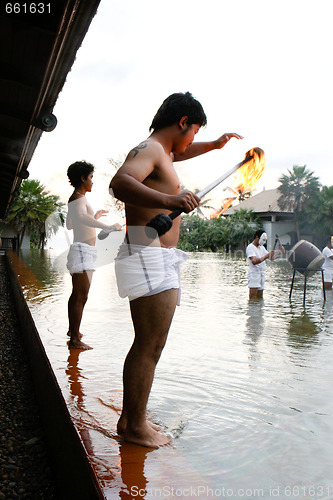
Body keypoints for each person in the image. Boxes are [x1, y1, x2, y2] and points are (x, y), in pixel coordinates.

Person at [110, 91, 243, 448]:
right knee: (149, 343)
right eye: (194, 132)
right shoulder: (149, 149)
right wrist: (171, 200)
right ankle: (134, 425)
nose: (192, 142)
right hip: (148, 252)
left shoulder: (163, 153)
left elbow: (179, 152)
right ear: (183, 122)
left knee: (151, 343)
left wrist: (214, 146)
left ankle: (131, 418)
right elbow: (120, 183)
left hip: (155, 255)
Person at [66, 161, 122, 350]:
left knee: (80, 294)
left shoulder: (76, 198)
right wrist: (108, 226)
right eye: (91, 177)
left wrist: (94, 217)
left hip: (84, 251)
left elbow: (71, 224)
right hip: (82, 251)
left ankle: (73, 330)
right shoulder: (78, 198)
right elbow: (80, 218)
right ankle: (74, 339)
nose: (92, 182)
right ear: (83, 178)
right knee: (80, 294)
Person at [246, 229, 281, 299]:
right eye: (263, 240)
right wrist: (266, 256)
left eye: (265, 240)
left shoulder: (261, 248)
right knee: (253, 296)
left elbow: (270, 258)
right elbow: (254, 261)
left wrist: (279, 254)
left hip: (262, 274)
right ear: (257, 238)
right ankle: (252, 309)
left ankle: (259, 309)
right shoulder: (250, 247)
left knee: (260, 296)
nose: (264, 242)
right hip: (254, 275)